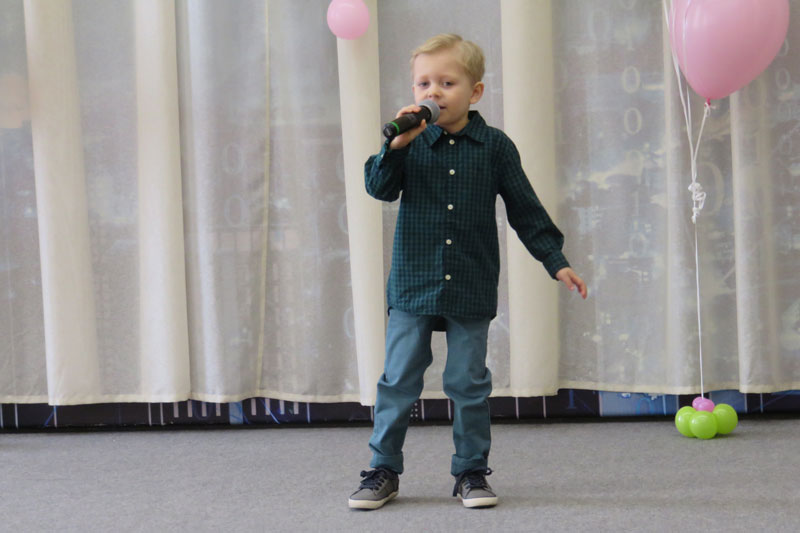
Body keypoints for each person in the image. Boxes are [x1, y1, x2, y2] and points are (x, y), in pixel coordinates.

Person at [348, 33, 587, 510]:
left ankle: (471, 471)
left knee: (468, 382)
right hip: (413, 286)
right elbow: (378, 188)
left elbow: (526, 210)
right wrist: (395, 146)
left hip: (470, 285)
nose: (432, 92)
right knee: (398, 380)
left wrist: (556, 261)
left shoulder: (495, 147)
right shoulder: (410, 142)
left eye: (446, 82)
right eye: (423, 83)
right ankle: (382, 469)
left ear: (475, 91)